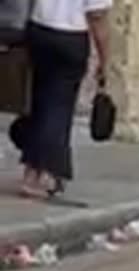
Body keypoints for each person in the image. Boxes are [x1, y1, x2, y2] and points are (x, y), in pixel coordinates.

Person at [18, 0, 111, 200]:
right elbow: (97, 16)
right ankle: (47, 174)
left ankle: (30, 171)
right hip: (70, 36)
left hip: (39, 30)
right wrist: (104, 60)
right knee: (60, 106)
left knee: (41, 101)